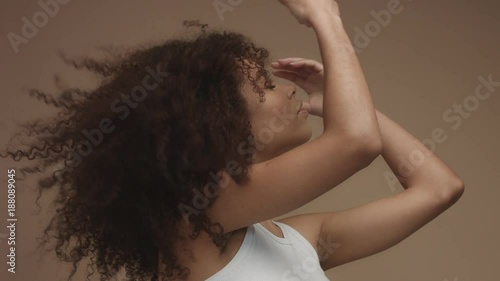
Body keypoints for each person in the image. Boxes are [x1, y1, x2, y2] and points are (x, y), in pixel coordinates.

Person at [0, 0, 465, 280]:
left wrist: (337, 100)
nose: (285, 89)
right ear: (217, 127)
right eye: (263, 86)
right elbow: (355, 143)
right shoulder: (195, 223)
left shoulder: (295, 241)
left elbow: (439, 189)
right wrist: (326, 19)